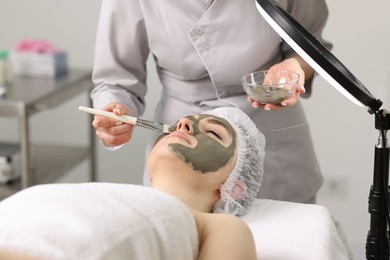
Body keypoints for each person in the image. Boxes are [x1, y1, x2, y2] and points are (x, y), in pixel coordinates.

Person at [91, 0, 332, 203]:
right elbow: (115, 81)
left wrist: (295, 69)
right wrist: (114, 110)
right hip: (180, 129)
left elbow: (313, 48)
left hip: (268, 131)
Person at [0, 107, 265, 260]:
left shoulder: (219, 226)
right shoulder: (102, 192)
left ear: (234, 188)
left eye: (213, 133)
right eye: (185, 121)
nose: (182, 123)